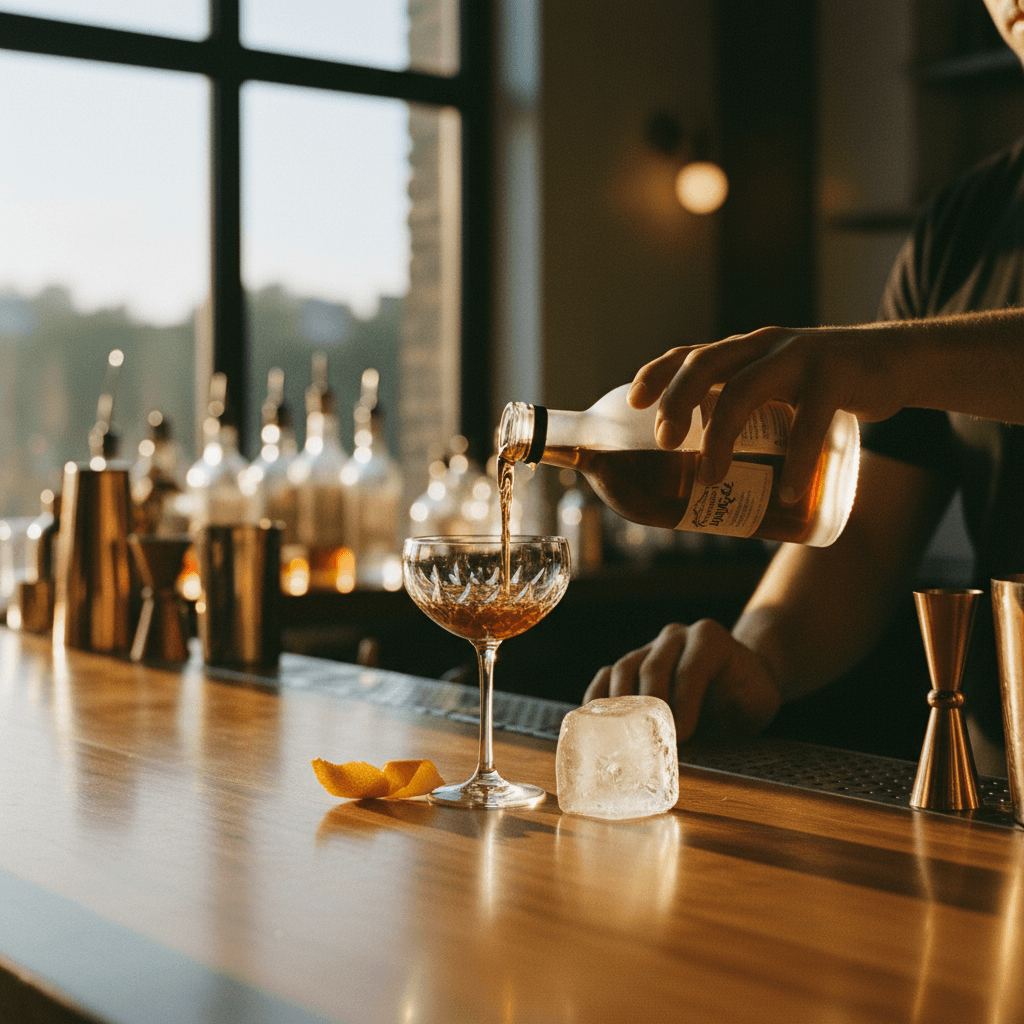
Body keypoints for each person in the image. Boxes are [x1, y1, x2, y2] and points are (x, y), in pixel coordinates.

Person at [584, 0, 1024, 770]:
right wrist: (758, 655)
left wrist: (895, 361)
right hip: (1006, 783)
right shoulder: (964, 224)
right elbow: (864, 539)